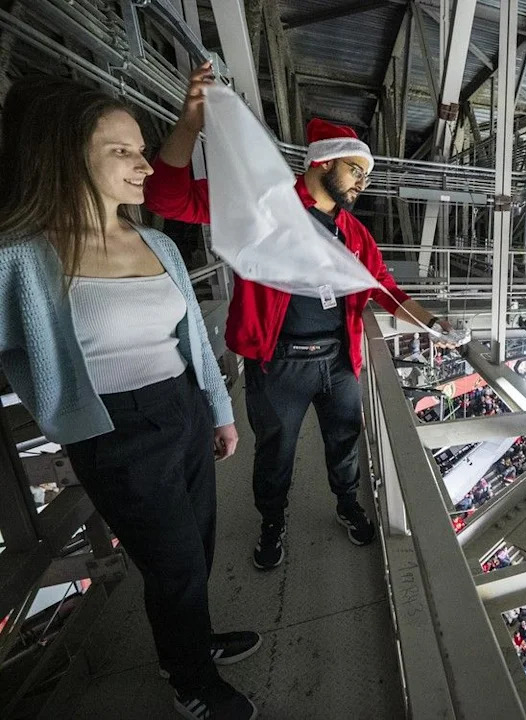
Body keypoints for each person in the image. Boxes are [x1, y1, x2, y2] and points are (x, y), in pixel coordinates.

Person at [0, 77, 259, 719]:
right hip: (113, 430)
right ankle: (189, 679)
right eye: (123, 152)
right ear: (65, 158)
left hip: (182, 408)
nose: (145, 165)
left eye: (143, 150)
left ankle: (192, 642)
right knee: (172, 565)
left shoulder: (159, 243)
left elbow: (192, 338)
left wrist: (219, 411)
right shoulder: (22, 257)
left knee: (196, 549)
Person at [145, 63, 453, 567]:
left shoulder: (354, 235)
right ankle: (272, 522)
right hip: (279, 364)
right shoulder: (261, 208)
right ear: (323, 163)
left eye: (366, 176)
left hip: (337, 362)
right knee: (276, 455)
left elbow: (384, 290)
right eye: (356, 171)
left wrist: (434, 325)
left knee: (345, 444)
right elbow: (166, 197)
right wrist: (190, 124)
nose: (362, 184)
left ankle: (347, 504)